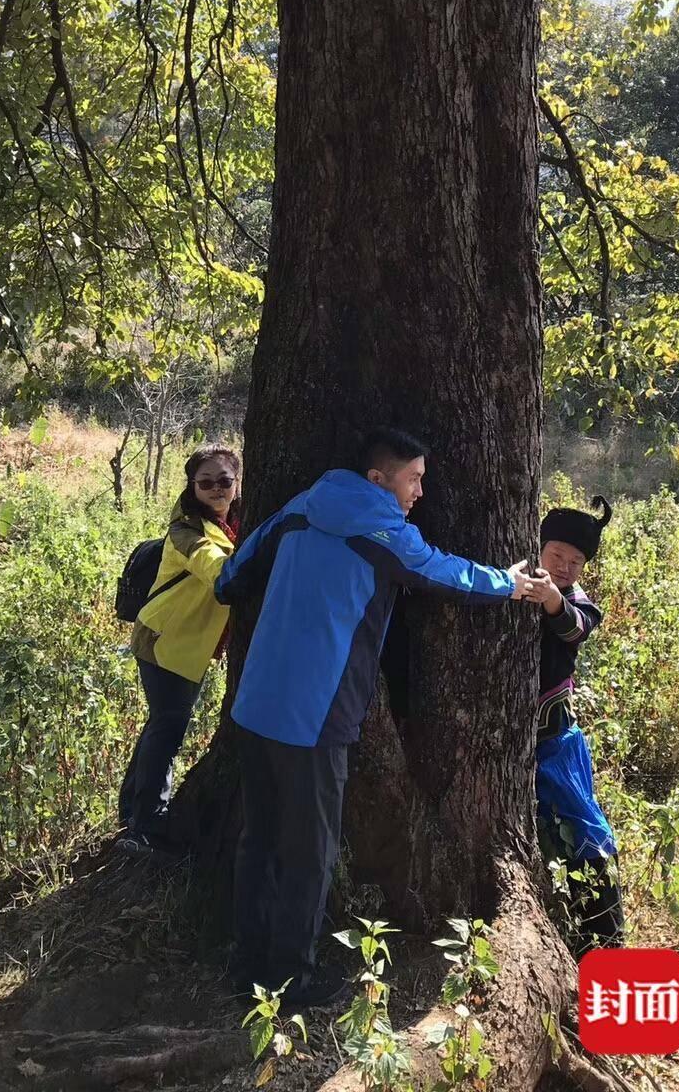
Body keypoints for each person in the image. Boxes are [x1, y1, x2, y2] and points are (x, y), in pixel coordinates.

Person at [215, 426, 539, 1008]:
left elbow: (234, 573)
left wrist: (232, 585)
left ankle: (246, 962)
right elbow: (445, 573)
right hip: (316, 713)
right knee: (311, 850)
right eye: (413, 479)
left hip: (258, 699)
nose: (420, 492)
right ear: (378, 479)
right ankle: (290, 981)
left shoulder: (302, 505)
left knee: (258, 837)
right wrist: (508, 584)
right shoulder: (384, 531)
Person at [117, 445, 241, 856]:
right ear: (192, 486)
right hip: (164, 642)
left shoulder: (234, 521)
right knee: (169, 727)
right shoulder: (186, 532)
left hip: (185, 643)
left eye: (225, 481)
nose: (217, 489)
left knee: (161, 723)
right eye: (207, 482)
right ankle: (146, 825)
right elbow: (219, 572)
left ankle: (131, 809)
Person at [528, 494, 624, 946]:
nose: (564, 567)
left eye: (575, 560)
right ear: (539, 549)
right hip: (516, 743)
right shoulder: (515, 584)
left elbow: (574, 629)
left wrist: (552, 600)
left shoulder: (578, 604)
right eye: (556, 556)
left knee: (584, 837)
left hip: (555, 744)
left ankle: (602, 938)